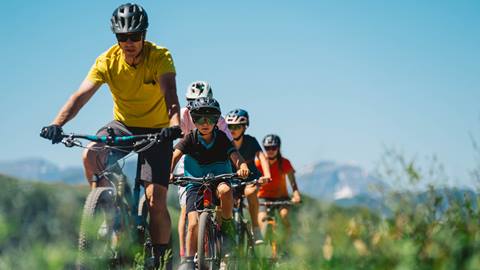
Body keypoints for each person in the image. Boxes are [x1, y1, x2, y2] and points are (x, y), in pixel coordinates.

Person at [39, 3, 181, 269]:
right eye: (122, 37)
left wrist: (174, 125)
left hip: (159, 130)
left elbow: (170, 93)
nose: (128, 42)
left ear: (144, 35)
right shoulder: (107, 61)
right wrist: (56, 124)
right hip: (124, 125)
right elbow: (79, 97)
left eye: (134, 36)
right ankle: (107, 215)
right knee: (90, 154)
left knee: (156, 201)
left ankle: (163, 263)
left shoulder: (160, 56)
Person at [170, 97, 249, 270]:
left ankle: (227, 224)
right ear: (193, 119)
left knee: (226, 190)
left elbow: (234, 155)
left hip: (219, 178)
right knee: (192, 223)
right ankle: (189, 261)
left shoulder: (220, 137)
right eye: (199, 118)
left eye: (211, 119)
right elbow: (175, 154)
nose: (205, 123)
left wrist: (242, 166)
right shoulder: (190, 138)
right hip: (195, 182)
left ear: (216, 121)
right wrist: (168, 172)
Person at [175, 81, 233, 257]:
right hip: (189, 159)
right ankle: (186, 254)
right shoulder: (184, 114)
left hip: (215, 163)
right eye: (190, 101)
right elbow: (178, 143)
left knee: (221, 197)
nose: (193, 106)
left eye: (198, 101)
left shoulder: (220, 121)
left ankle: (220, 234)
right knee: (186, 209)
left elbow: (228, 145)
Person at [225, 109, 271, 244]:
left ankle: (256, 229)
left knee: (251, 192)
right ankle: (224, 235)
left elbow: (261, 157)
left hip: (250, 177)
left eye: (237, 126)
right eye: (229, 126)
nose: (233, 129)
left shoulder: (251, 141)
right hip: (231, 177)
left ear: (244, 127)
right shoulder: (225, 142)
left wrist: (267, 174)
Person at [256, 134, 301, 246]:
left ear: (278, 148)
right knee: (261, 219)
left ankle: (287, 243)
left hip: (281, 197)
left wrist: (296, 194)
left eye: (273, 148)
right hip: (263, 197)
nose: (270, 151)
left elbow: (292, 182)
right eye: (267, 148)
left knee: (284, 215)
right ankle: (262, 248)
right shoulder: (259, 163)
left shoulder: (284, 162)